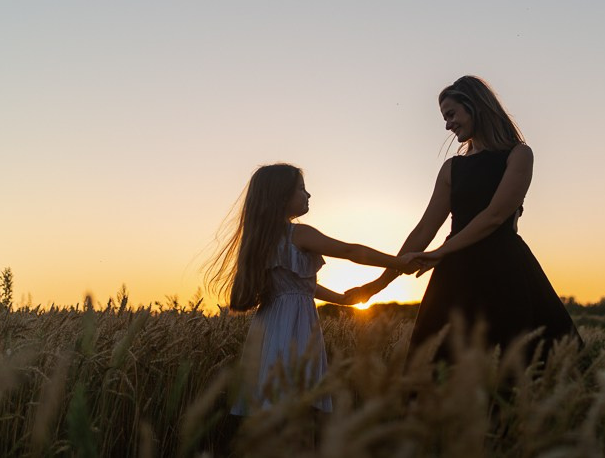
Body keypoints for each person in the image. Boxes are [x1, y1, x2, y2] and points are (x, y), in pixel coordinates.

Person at [350, 76, 582, 364]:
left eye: (451, 114)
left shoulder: (519, 154)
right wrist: (379, 284)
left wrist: (441, 252)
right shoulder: (452, 168)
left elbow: (495, 215)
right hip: (456, 276)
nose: (448, 125)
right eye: (445, 118)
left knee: (517, 368)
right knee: (437, 369)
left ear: (475, 107)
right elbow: (424, 229)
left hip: (505, 271)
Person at [204, 163, 419, 419]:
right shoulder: (298, 234)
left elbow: (299, 284)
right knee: (300, 406)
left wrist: (340, 299)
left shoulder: (260, 240)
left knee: (274, 407)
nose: (308, 195)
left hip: (270, 327)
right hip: (295, 328)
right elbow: (351, 252)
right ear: (281, 196)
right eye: (302, 189)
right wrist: (398, 262)